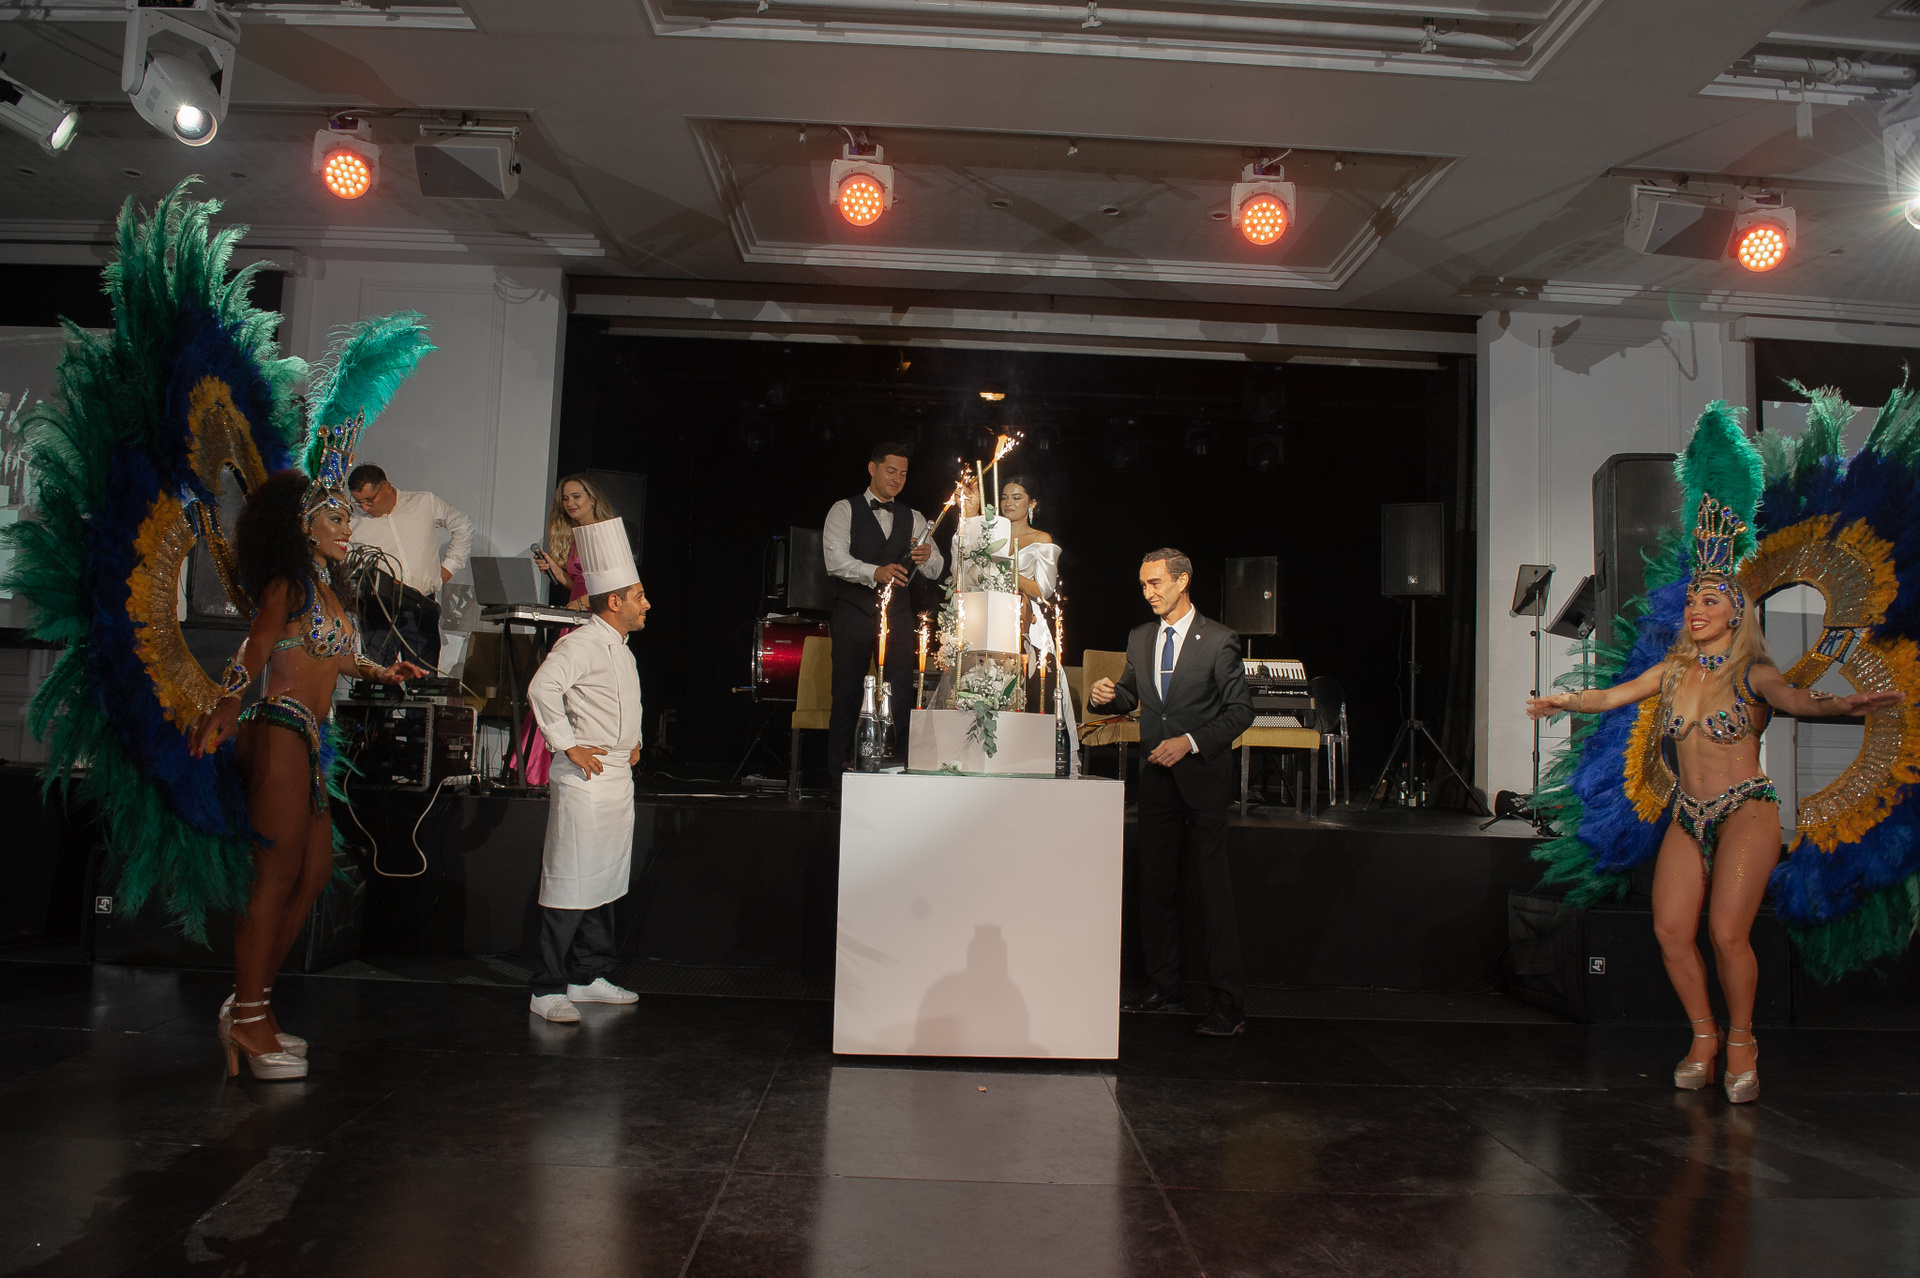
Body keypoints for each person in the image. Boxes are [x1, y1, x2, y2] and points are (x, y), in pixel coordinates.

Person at [1527, 496, 1899, 1103]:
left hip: (1746, 810)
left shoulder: (1755, 673)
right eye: (1692, 602)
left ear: (1736, 613)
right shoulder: (1674, 670)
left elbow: (1796, 699)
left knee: (1727, 934)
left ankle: (1743, 1041)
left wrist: (1841, 703)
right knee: (1671, 932)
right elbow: (1614, 697)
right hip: (1688, 813)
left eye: (1710, 601)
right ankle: (1705, 1035)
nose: (1696, 610)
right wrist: (1562, 701)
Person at [189, 428, 430, 1079]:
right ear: (304, 526)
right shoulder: (288, 586)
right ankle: (248, 1018)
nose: (347, 528)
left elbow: (336, 657)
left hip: (309, 740)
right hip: (278, 727)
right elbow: (256, 645)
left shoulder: (327, 589)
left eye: (349, 519)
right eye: (335, 518)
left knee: (315, 873)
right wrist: (227, 703)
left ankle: (251, 1004)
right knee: (274, 876)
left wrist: (381, 671)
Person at [1089, 549, 1255, 1037]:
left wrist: (1190, 742)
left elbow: (1240, 710)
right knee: (1155, 887)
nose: (1148, 593)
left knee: (1212, 892)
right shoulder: (1140, 637)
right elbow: (1132, 695)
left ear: (1183, 582)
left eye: (1156, 583)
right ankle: (1164, 987)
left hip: (1202, 779)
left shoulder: (1219, 640)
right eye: (1143, 585)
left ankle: (1229, 1001)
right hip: (1157, 781)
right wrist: (1107, 697)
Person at [525, 517, 650, 1023]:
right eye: (639, 596)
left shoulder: (621, 649)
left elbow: (617, 704)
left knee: (604, 879)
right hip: (585, 779)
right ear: (614, 601)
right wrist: (568, 745)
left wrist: (632, 741)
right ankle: (546, 987)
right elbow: (542, 689)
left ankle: (587, 975)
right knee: (571, 880)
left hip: (617, 777)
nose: (646, 604)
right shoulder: (579, 643)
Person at [822, 441, 946, 784]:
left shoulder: (914, 517)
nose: (897, 479)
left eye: (903, 474)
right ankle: (839, 782)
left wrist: (928, 557)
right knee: (847, 695)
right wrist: (875, 571)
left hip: (898, 616)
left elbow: (937, 568)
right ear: (872, 468)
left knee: (900, 693)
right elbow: (834, 560)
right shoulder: (844, 510)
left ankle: (896, 774)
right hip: (853, 612)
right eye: (891, 471)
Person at [347, 463, 474, 671]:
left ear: (386, 487)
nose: (365, 508)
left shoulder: (423, 502)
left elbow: (463, 525)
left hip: (420, 605)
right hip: (377, 611)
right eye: (358, 502)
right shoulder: (354, 521)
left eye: (369, 500)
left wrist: (448, 568)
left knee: (423, 677)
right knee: (380, 676)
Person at [997, 475, 1077, 774]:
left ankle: (1034, 760)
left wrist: (1006, 571)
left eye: (1017, 497)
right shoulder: (991, 536)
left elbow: (1043, 590)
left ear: (1032, 503)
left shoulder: (1041, 539)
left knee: (1034, 693)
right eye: (1004, 497)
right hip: (994, 620)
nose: (1008, 503)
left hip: (1028, 623)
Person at [536, 472, 618, 610]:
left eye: (576, 497)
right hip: (576, 611)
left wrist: (581, 603)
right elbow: (579, 585)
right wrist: (556, 571)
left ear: (592, 499)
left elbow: (616, 586)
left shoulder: (604, 532)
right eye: (565, 499)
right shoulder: (577, 535)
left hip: (598, 612)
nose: (569, 503)